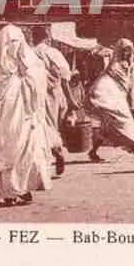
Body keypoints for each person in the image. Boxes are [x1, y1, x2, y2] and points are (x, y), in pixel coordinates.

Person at [0, 24, 51, 205]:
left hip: (24, 119)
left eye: (16, 43)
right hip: (3, 125)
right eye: (9, 44)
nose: (12, 48)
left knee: (26, 151)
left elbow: (38, 85)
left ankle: (23, 188)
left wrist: (27, 75)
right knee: (5, 153)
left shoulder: (27, 68)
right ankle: (8, 192)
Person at [85, 38, 134, 163]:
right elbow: (105, 79)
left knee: (106, 129)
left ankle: (93, 152)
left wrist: (132, 99)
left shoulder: (131, 64)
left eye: (129, 50)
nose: (127, 53)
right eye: (124, 50)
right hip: (108, 96)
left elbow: (130, 83)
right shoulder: (113, 62)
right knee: (127, 121)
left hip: (118, 96)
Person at [32, 25, 80, 176]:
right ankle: (56, 150)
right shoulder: (53, 53)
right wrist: (71, 100)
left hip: (36, 95)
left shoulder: (30, 53)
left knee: (41, 126)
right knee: (53, 126)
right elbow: (65, 78)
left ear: (33, 38)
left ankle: (52, 154)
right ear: (48, 37)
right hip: (55, 96)